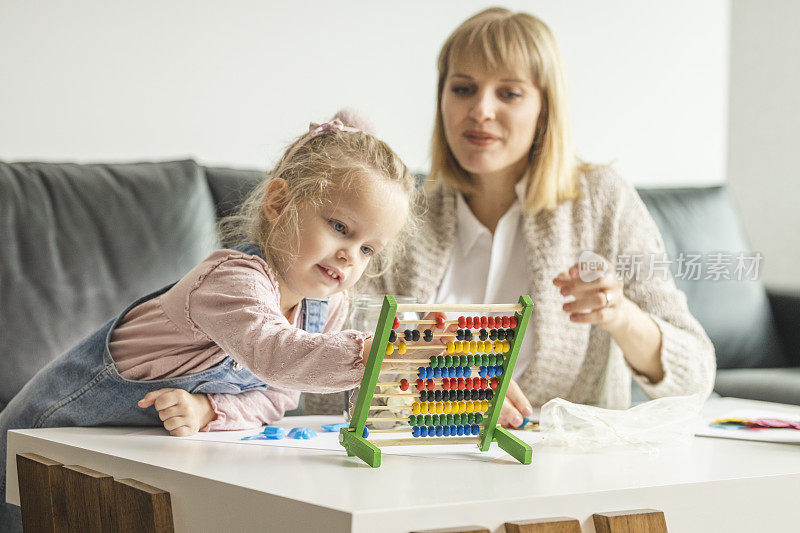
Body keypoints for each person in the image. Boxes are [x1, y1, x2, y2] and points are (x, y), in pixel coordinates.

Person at [0, 109, 419, 530]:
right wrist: (365, 354)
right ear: (278, 203)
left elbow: (277, 398)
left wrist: (209, 410)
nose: (351, 256)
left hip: (126, 460)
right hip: (43, 447)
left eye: (368, 250)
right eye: (340, 227)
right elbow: (276, 353)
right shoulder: (232, 281)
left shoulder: (327, 307)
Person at [361, 8, 716, 427]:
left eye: (508, 93)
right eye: (463, 89)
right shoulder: (401, 213)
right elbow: (328, 385)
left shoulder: (603, 201)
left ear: (545, 109)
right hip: (417, 462)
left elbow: (695, 377)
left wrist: (619, 315)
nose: (480, 110)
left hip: (564, 470)